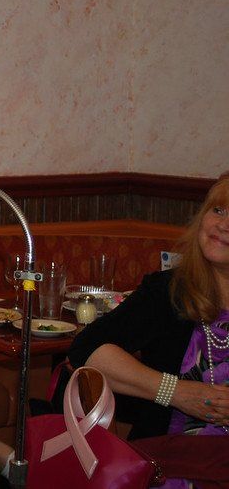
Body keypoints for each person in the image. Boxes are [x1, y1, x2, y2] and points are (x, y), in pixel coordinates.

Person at [68, 172, 229, 485]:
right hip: (170, 466)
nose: (223, 225)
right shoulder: (170, 291)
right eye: (218, 210)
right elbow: (86, 349)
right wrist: (176, 392)